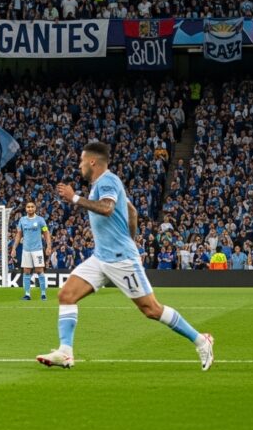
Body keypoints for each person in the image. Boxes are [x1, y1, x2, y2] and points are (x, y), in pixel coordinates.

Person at [38, 142, 214, 370]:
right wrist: (130, 239)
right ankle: (65, 352)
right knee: (66, 295)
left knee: (151, 309)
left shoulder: (108, 181)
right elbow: (132, 211)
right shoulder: (101, 184)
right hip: (101, 258)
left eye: (82, 161)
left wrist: (74, 198)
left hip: (120, 259)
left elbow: (108, 208)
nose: (80, 165)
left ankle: (202, 340)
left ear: (92, 161)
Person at [11, 202, 52, 301]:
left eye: (32, 207)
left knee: (39, 271)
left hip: (37, 249)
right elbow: (19, 235)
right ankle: (27, 294)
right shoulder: (22, 220)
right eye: (28, 207)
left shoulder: (40, 220)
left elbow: (46, 233)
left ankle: (43, 294)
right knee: (26, 271)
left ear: (35, 208)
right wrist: (14, 248)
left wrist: (48, 246)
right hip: (26, 250)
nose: (30, 208)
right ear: (26, 209)